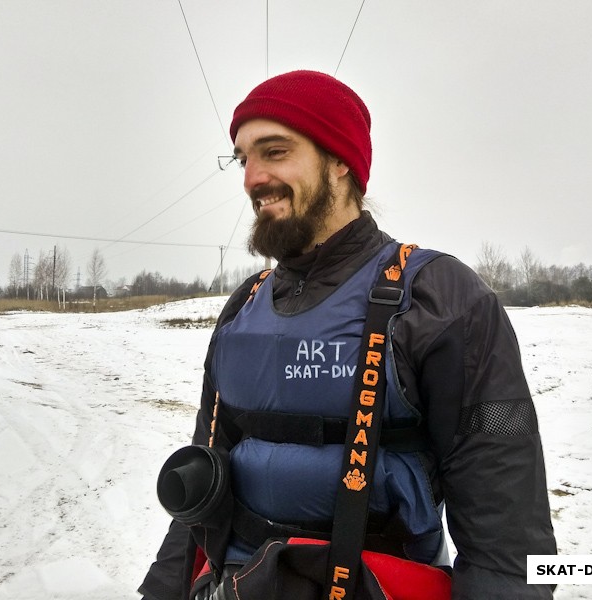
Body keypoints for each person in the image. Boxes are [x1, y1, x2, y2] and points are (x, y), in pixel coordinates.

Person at [139, 70, 556, 600]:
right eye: (244, 159)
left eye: (275, 151)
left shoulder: (441, 299)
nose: (251, 178)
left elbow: (507, 532)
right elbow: (204, 479)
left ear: (340, 161)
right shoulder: (243, 307)